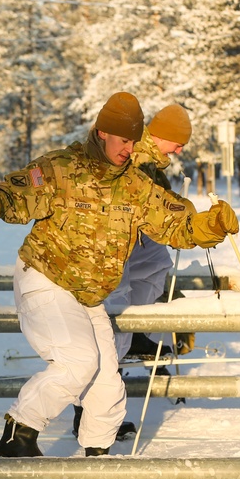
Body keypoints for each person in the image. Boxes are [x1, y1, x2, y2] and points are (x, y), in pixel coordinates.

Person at [0, 91, 239, 457]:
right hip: (46, 278)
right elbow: (20, 193)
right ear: (103, 132)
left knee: (107, 379)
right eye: (123, 140)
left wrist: (208, 225)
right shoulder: (63, 168)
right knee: (78, 361)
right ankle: (18, 435)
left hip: (90, 294)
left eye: (134, 141)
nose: (128, 149)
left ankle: (96, 453)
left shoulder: (136, 186)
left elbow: (173, 223)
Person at [74, 103, 197, 441]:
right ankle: (89, 413)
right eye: (177, 141)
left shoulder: (152, 160)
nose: (180, 149)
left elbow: (158, 200)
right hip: (111, 244)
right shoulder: (136, 157)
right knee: (112, 322)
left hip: (136, 240)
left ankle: (137, 329)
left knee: (157, 263)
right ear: (161, 136)